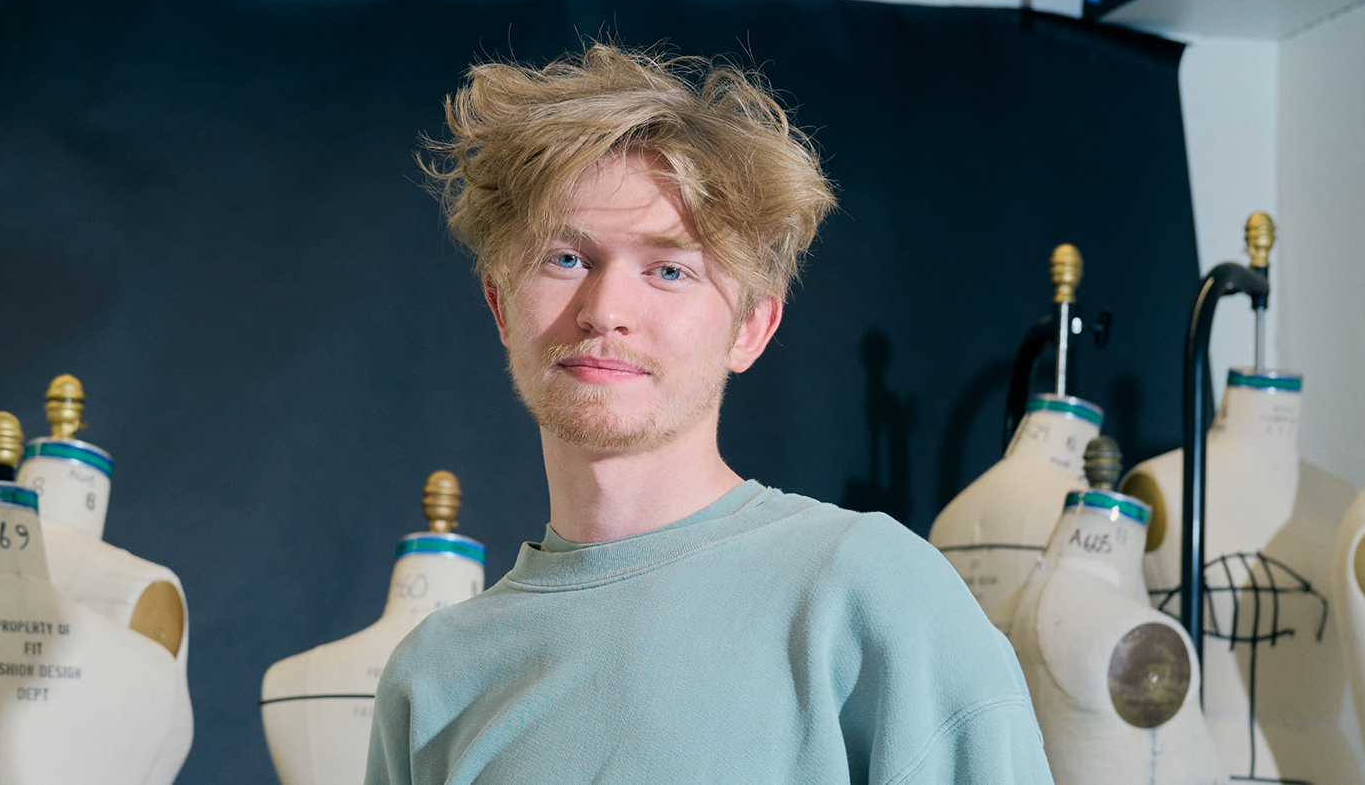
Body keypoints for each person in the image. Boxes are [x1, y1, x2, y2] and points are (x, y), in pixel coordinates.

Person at [364, 44, 1053, 785]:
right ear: (500, 303)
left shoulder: (869, 594)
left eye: (669, 270)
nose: (605, 311)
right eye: (566, 258)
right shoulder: (431, 679)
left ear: (752, 327)